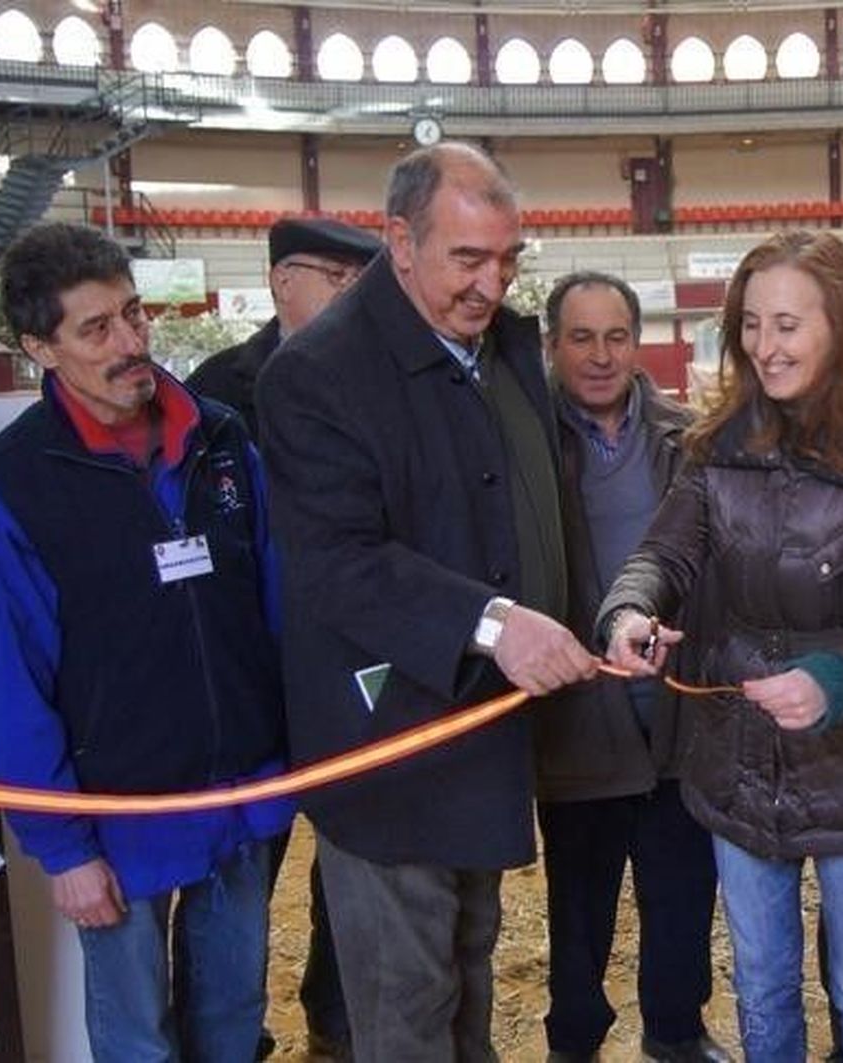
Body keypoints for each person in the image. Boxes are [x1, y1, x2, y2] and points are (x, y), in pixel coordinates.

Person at [255, 142, 599, 1061]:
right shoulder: (316, 376)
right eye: (468, 260)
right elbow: (338, 563)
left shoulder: (503, 350)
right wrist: (496, 622)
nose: (492, 285)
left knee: (467, 969)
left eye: (507, 260)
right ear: (398, 243)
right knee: (404, 1000)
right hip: (389, 752)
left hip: (482, 735)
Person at [601, 230, 843, 1063]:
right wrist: (630, 607)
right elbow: (663, 554)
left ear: (841, 325)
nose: (764, 345)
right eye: (752, 324)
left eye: (787, 325)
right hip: (740, 755)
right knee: (761, 980)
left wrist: (834, 677)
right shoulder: (715, 444)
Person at [0, 222, 293, 1061]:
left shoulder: (219, 437)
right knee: (136, 1033)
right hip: (117, 818)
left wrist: (287, 754)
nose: (131, 342)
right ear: (40, 345)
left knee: (232, 1014)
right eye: (96, 328)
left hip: (240, 795)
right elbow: (8, 682)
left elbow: (277, 603)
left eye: (134, 315)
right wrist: (64, 848)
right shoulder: (9, 486)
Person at [188, 215, 378, 1061]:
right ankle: (228, 1027)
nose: (348, 295)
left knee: (350, 860)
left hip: (350, 667)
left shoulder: (379, 384)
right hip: (249, 673)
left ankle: (335, 1016)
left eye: (358, 280)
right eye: (330, 277)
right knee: (242, 865)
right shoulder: (214, 388)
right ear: (278, 280)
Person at [535, 271, 726, 1063]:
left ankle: (676, 1030)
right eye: (581, 337)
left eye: (617, 335)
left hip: (678, 712)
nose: (602, 355)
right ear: (551, 345)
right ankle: (574, 1039)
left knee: (681, 889)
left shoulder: (690, 436)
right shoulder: (528, 445)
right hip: (578, 714)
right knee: (579, 902)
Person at [188, 216, 379, 442]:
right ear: (283, 282)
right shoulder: (215, 387)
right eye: (336, 274)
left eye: (362, 279)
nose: (352, 292)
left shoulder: (392, 375)